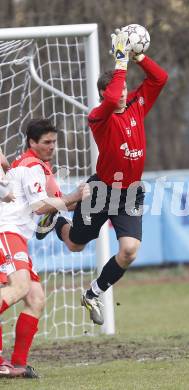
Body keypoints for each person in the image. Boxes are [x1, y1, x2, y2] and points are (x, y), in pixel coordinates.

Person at [37, 30, 168, 326]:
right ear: (104, 96)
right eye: (117, 92)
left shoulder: (136, 104)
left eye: (123, 90)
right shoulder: (99, 116)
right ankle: (55, 218)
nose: (122, 94)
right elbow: (111, 95)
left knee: (130, 250)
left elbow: (160, 79)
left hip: (130, 193)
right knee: (75, 244)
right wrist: (121, 62)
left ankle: (93, 293)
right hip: (102, 191)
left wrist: (139, 57)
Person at [0, 118, 88, 378]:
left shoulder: (40, 168)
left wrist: (92, 199)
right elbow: (40, 207)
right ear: (32, 143)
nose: (52, 146)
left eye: (54, 142)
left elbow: (59, 202)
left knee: (36, 298)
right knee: (20, 287)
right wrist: (75, 196)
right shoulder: (30, 167)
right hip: (6, 231)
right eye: (46, 142)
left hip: (16, 236)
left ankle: (16, 365)